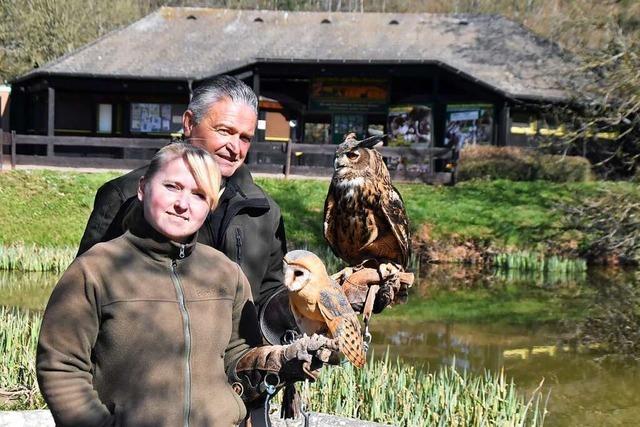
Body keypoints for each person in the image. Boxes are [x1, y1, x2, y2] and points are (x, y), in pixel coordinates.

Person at [37, 143, 336, 426]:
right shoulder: (95, 270)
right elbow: (61, 367)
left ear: (211, 204)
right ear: (143, 188)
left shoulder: (225, 273)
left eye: (198, 194)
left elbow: (235, 354)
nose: (182, 204)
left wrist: (280, 361)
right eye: (172, 187)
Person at [77, 75, 284, 311]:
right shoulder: (126, 195)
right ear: (188, 123)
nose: (235, 148)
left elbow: (270, 298)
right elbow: (83, 296)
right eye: (225, 131)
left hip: (238, 348)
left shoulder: (264, 211)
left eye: (245, 138)